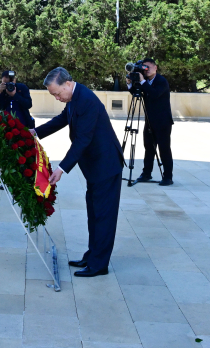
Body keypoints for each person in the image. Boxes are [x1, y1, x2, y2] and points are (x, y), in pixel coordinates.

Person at [32, 67, 124, 277]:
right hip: (95, 167)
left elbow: (83, 139)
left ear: (67, 83)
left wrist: (62, 168)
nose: (56, 98)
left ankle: (99, 265)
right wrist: (36, 132)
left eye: (57, 93)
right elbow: (62, 119)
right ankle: (92, 255)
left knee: (103, 216)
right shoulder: (74, 98)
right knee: (94, 213)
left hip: (105, 165)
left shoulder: (87, 100)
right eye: (53, 95)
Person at [127, 57, 174, 186]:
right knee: (148, 148)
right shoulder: (146, 81)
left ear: (155, 67)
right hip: (149, 121)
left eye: (148, 67)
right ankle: (146, 173)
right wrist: (130, 83)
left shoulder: (161, 81)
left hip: (163, 122)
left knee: (164, 149)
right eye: (144, 68)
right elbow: (137, 92)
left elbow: (154, 94)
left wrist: (142, 82)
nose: (146, 70)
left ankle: (168, 177)